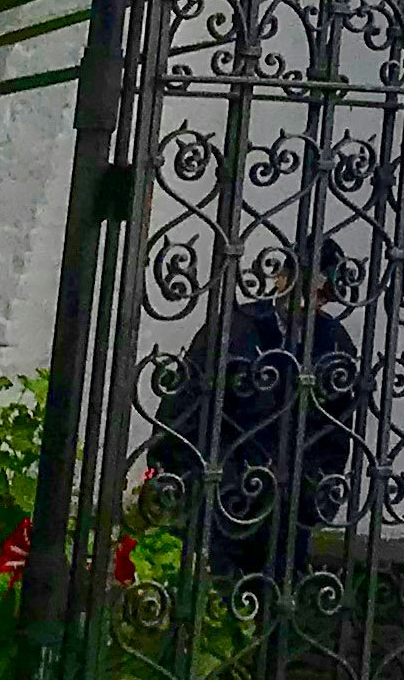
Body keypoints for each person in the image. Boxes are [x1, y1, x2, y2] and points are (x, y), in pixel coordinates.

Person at [149, 238, 364, 580]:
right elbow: (184, 409)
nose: (313, 300)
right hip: (220, 500)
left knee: (273, 605)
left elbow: (336, 431)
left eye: (324, 294)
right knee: (213, 599)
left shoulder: (333, 342)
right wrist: (203, 480)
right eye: (308, 284)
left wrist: (314, 494)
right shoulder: (236, 328)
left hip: (287, 510)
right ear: (280, 277)